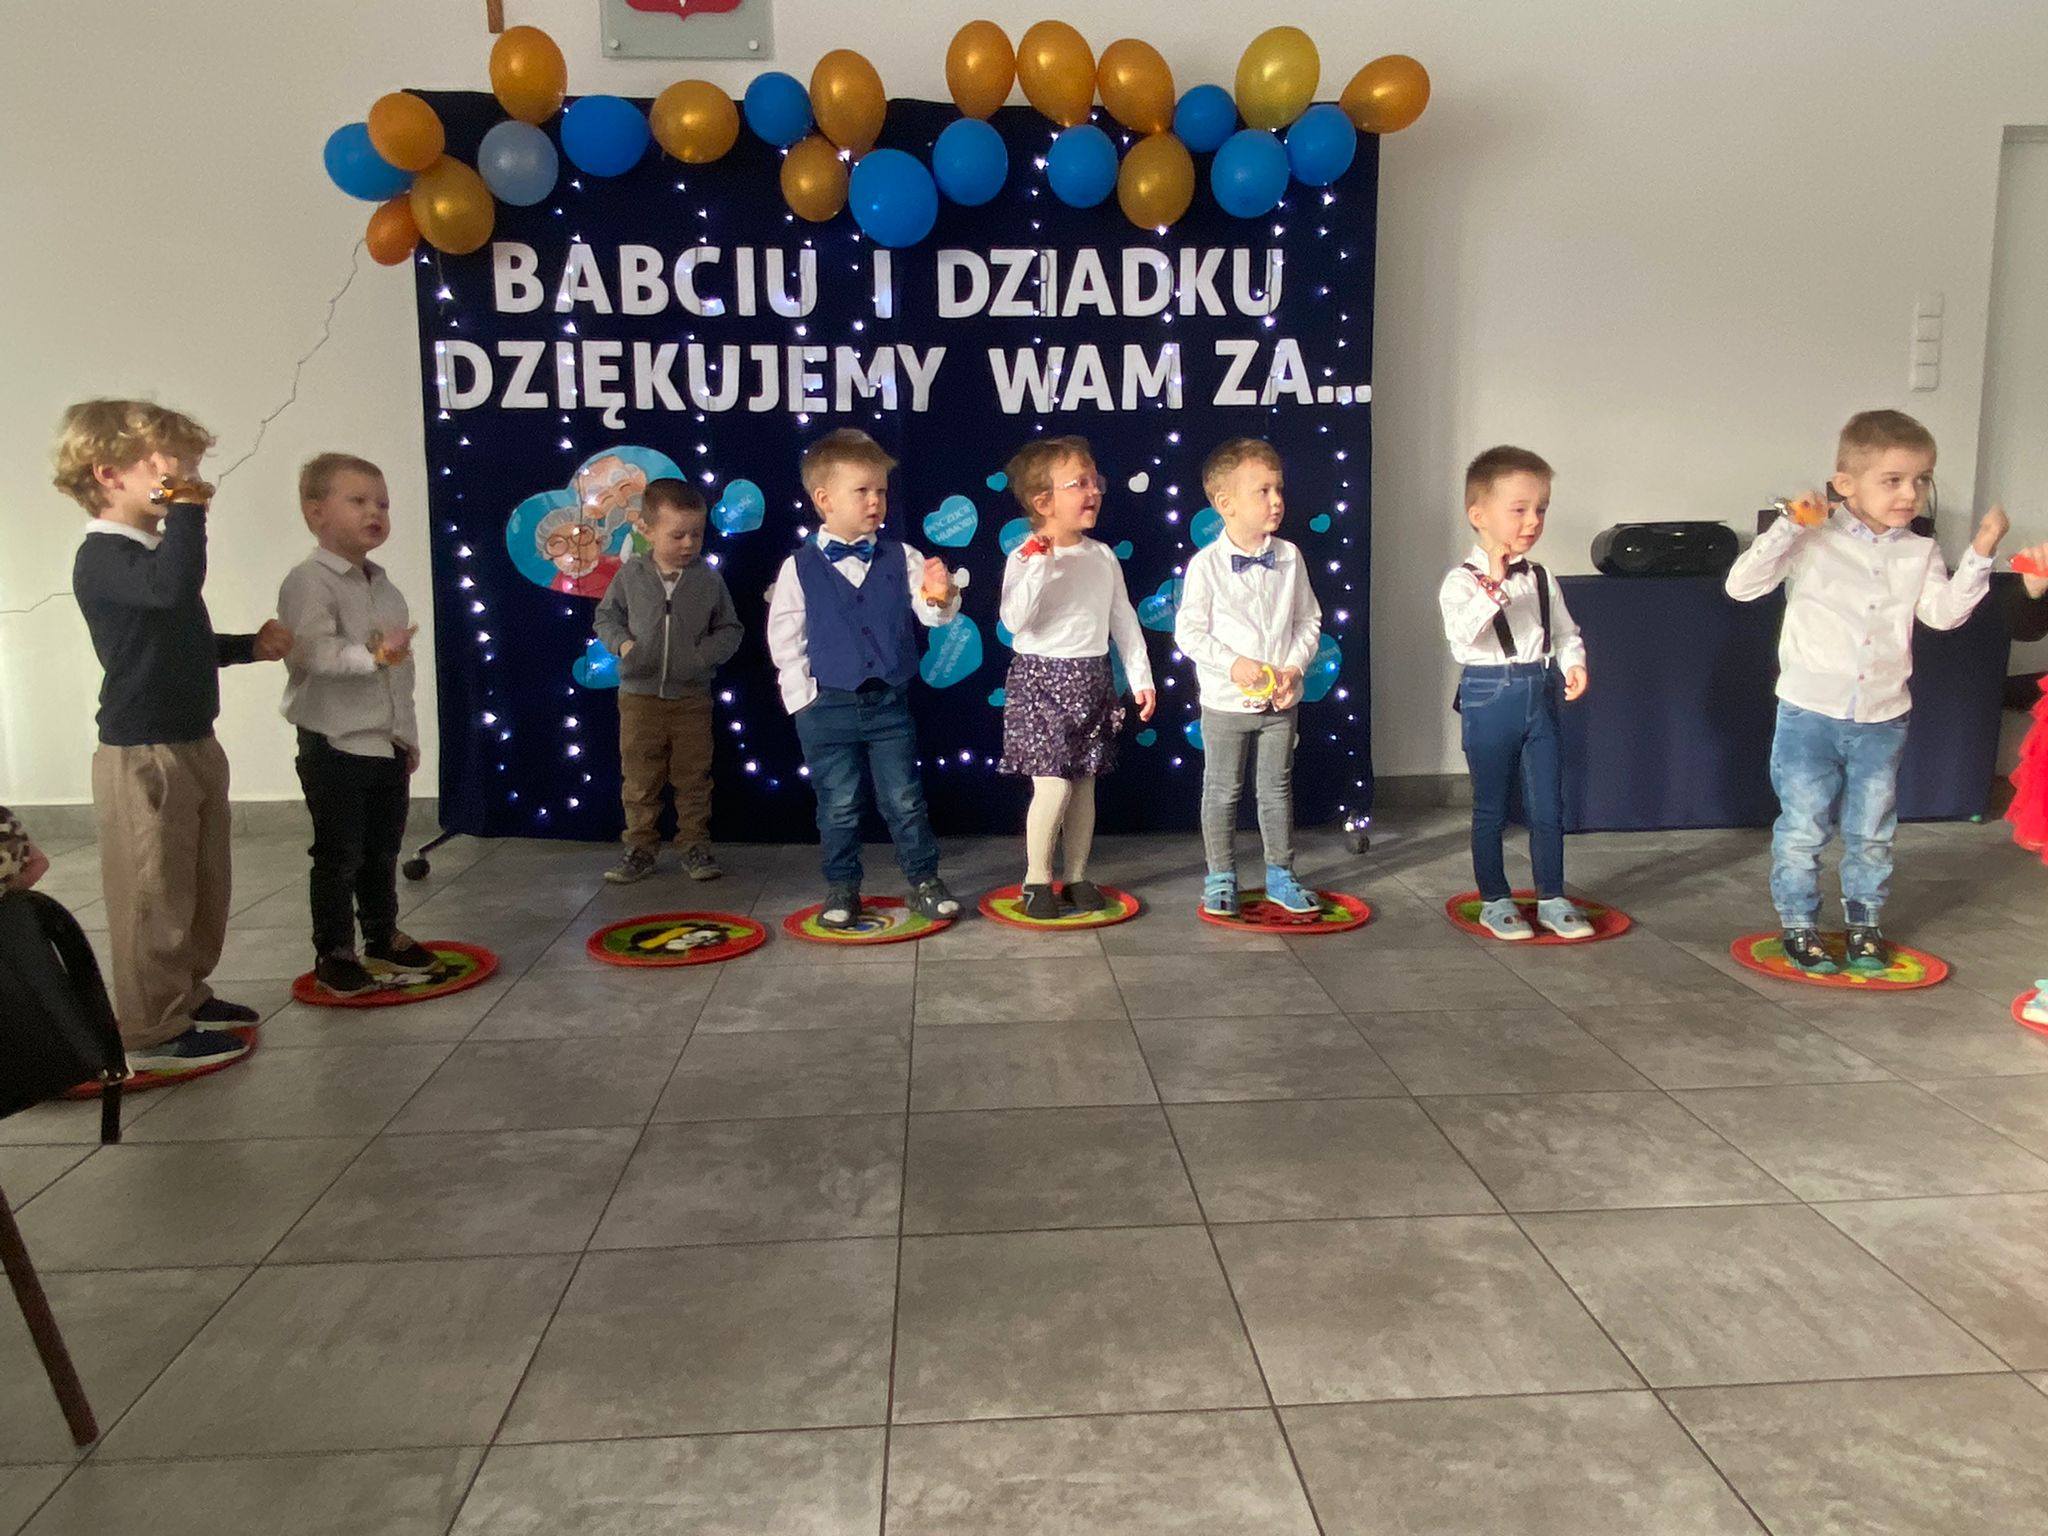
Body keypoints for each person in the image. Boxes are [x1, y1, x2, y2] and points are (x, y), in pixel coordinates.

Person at [1726, 408, 2007, 972]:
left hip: (1883, 717)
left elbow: (1943, 615)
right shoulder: (1813, 539)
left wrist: (1980, 552)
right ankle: (1799, 923)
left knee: (1872, 831)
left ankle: (1865, 923)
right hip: (1809, 714)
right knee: (1803, 828)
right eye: (1893, 480)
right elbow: (1742, 586)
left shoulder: (1919, 551)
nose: (1910, 494)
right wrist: (1789, 525)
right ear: (1846, 483)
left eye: (1921, 480)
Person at [58, 399, 291, 1073]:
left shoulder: (152, 555)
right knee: (151, 893)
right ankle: (152, 1026)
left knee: (199, 883)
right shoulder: (103, 556)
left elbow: (176, 640)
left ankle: (186, 993)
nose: (191, 482)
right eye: (171, 469)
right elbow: (173, 592)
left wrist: (247, 647)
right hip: (144, 753)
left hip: (191, 740)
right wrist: (187, 507)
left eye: (191, 470)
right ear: (109, 475)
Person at [765, 429, 963, 929]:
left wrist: (940, 594)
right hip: (825, 708)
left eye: (881, 491)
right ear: (824, 499)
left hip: (888, 703)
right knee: (839, 805)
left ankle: (924, 881)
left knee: (904, 799)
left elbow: (933, 615)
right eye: (862, 491)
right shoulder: (798, 567)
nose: (875, 501)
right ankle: (842, 887)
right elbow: (785, 639)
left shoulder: (904, 557)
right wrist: (803, 701)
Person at [277, 452, 435, 997]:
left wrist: (407, 736)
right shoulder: (308, 583)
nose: (375, 513)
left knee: (382, 850)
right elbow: (311, 652)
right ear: (315, 512)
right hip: (336, 743)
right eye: (359, 501)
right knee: (338, 854)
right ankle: (335, 952)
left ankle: (382, 934)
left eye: (383, 504)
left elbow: (401, 673)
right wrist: (373, 656)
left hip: (384, 742)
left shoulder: (384, 586)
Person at [998, 436, 1157, 919]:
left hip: (1091, 679)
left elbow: (1122, 619)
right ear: (1043, 502)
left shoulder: (1102, 556)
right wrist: (1039, 565)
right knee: (1054, 787)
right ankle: (1036, 879)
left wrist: (1141, 677)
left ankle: (1077, 875)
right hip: (1040, 683)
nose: (1093, 492)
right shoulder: (1023, 557)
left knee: (1084, 785)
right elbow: (1015, 621)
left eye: (1095, 482)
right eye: (1078, 484)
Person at [1438, 445, 1593, 941]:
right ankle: (1495, 898)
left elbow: (1565, 633)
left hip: (1539, 692)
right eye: (1520, 509)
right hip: (1488, 695)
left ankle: (1552, 896)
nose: (1533, 521)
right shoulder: (1460, 582)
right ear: (1478, 515)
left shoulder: (1542, 577)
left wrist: (1573, 663)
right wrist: (1494, 583)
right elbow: (1463, 637)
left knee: (1548, 804)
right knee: (1490, 806)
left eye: (1541, 509)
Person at [1174, 437, 1324, 916]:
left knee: (1276, 789)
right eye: (1263, 491)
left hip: (1281, 702)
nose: (1276, 500)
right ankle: (1220, 876)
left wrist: (1294, 666)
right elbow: (1189, 633)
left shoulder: (1291, 557)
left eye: (1278, 489)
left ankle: (1281, 873)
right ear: (1226, 503)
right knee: (1222, 790)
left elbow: (1308, 620)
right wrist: (1232, 663)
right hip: (1225, 703)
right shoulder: (1205, 566)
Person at [593, 477, 744, 884]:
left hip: (692, 698)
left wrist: (701, 657)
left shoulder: (708, 579)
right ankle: (640, 849)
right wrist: (624, 645)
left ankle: (694, 846)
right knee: (640, 778)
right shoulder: (631, 575)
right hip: (639, 697)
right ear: (647, 529)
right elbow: (606, 617)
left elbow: (730, 629)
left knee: (693, 777)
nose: (689, 544)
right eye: (677, 535)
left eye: (697, 534)